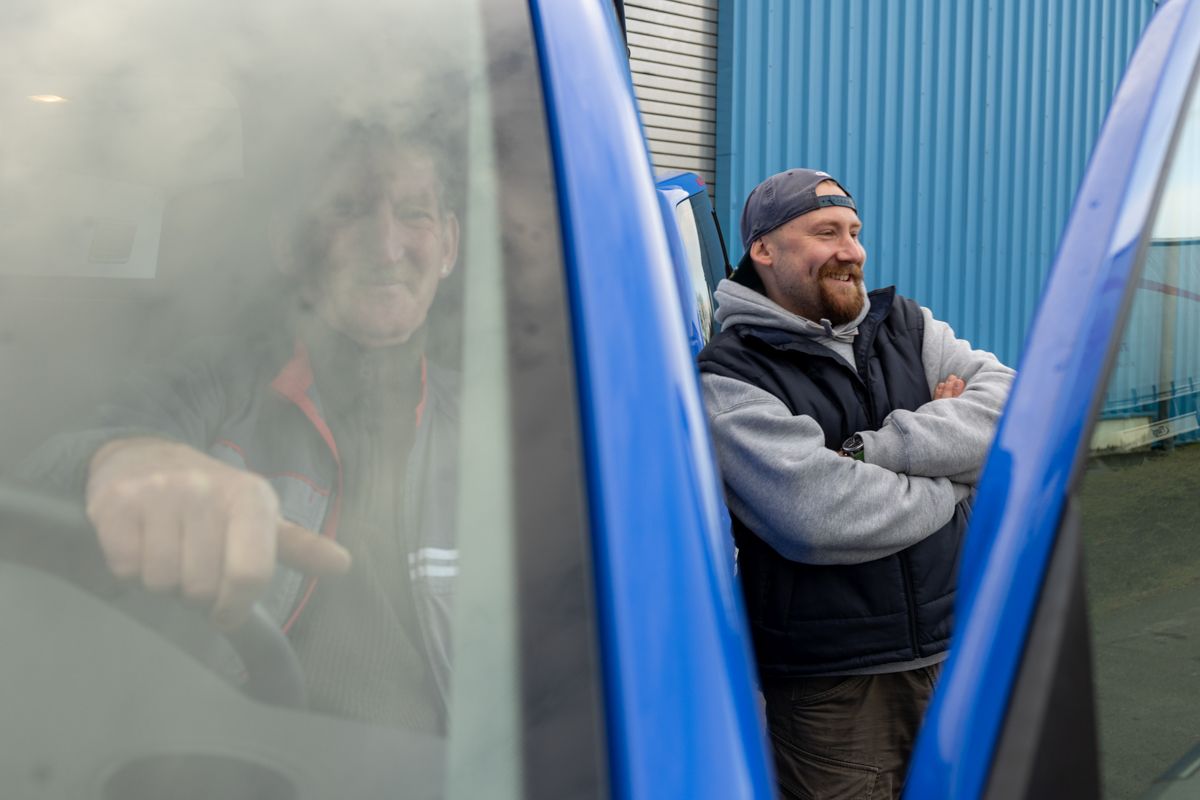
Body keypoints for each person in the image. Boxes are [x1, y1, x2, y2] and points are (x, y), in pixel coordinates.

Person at [28, 119, 462, 731]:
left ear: (448, 245)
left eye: (414, 213)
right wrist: (118, 461)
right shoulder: (218, 377)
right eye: (347, 210)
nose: (386, 245)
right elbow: (58, 463)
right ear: (289, 243)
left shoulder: (494, 426)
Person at [697, 168, 1015, 799]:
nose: (852, 250)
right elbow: (818, 517)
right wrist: (958, 476)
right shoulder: (727, 374)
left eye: (855, 231)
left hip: (954, 655)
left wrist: (875, 452)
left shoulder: (907, 325)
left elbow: (1014, 410)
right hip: (833, 690)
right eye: (826, 233)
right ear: (763, 250)